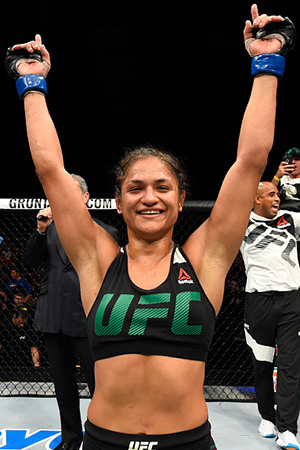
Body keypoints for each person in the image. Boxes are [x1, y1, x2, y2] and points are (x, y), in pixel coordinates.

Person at [6, 4, 296, 449]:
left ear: (180, 201)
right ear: (119, 203)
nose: (148, 196)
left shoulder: (205, 257)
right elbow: (50, 169)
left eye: (162, 187)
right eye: (135, 187)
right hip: (105, 440)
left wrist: (267, 63)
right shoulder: (97, 259)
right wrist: (32, 84)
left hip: (188, 442)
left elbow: (251, 160)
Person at [24, 174, 120, 450]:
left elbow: (112, 279)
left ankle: (101, 438)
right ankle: (70, 439)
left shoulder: (106, 233)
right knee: (63, 387)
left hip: (89, 319)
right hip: (54, 316)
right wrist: (40, 230)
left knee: (99, 387)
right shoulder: (49, 229)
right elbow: (31, 260)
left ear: (86, 197)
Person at [240, 181, 300, 449]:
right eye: (272, 195)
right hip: (259, 302)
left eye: (278, 195)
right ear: (256, 199)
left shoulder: (290, 219)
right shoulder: (241, 225)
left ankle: (288, 429)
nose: (278, 198)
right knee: (262, 364)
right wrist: (273, 177)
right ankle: (267, 416)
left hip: (292, 302)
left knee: (290, 366)